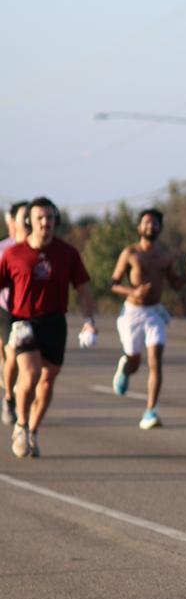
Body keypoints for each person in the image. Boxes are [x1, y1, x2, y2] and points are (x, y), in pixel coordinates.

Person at [0, 197, 97, 460]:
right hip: (23, 321)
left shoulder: (67, 253)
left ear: (56, 220)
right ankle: (21, 425)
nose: (46, 223)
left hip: (54, 322)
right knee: (30, 374)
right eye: (40, 218)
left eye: (50, 218)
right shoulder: (14, 254)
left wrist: (89, 321)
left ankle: (33, 430)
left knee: (47, 381)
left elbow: (83, 289)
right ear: (29, 222)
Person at [108, 209, 186, 429]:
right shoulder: (130, 253)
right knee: (134, 361)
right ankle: (125, 368)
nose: (150, 226)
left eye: (155, 223)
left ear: (160, 228)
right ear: (139, 227)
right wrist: (133, 292)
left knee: (155, 360)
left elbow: (175, 284)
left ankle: (151, 411)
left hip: (154, 314)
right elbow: (113, 284)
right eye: (146, 222)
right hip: (132, 314)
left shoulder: (164, 256)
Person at [1, 201, 30, 426]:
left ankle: (20, 398)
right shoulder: (5, 249)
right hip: (6, 308)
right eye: (23, 217)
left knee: (30, 363)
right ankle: (9, 396)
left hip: (32, 310)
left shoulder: (40, 249)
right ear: (14, 221)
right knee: (11, 353)